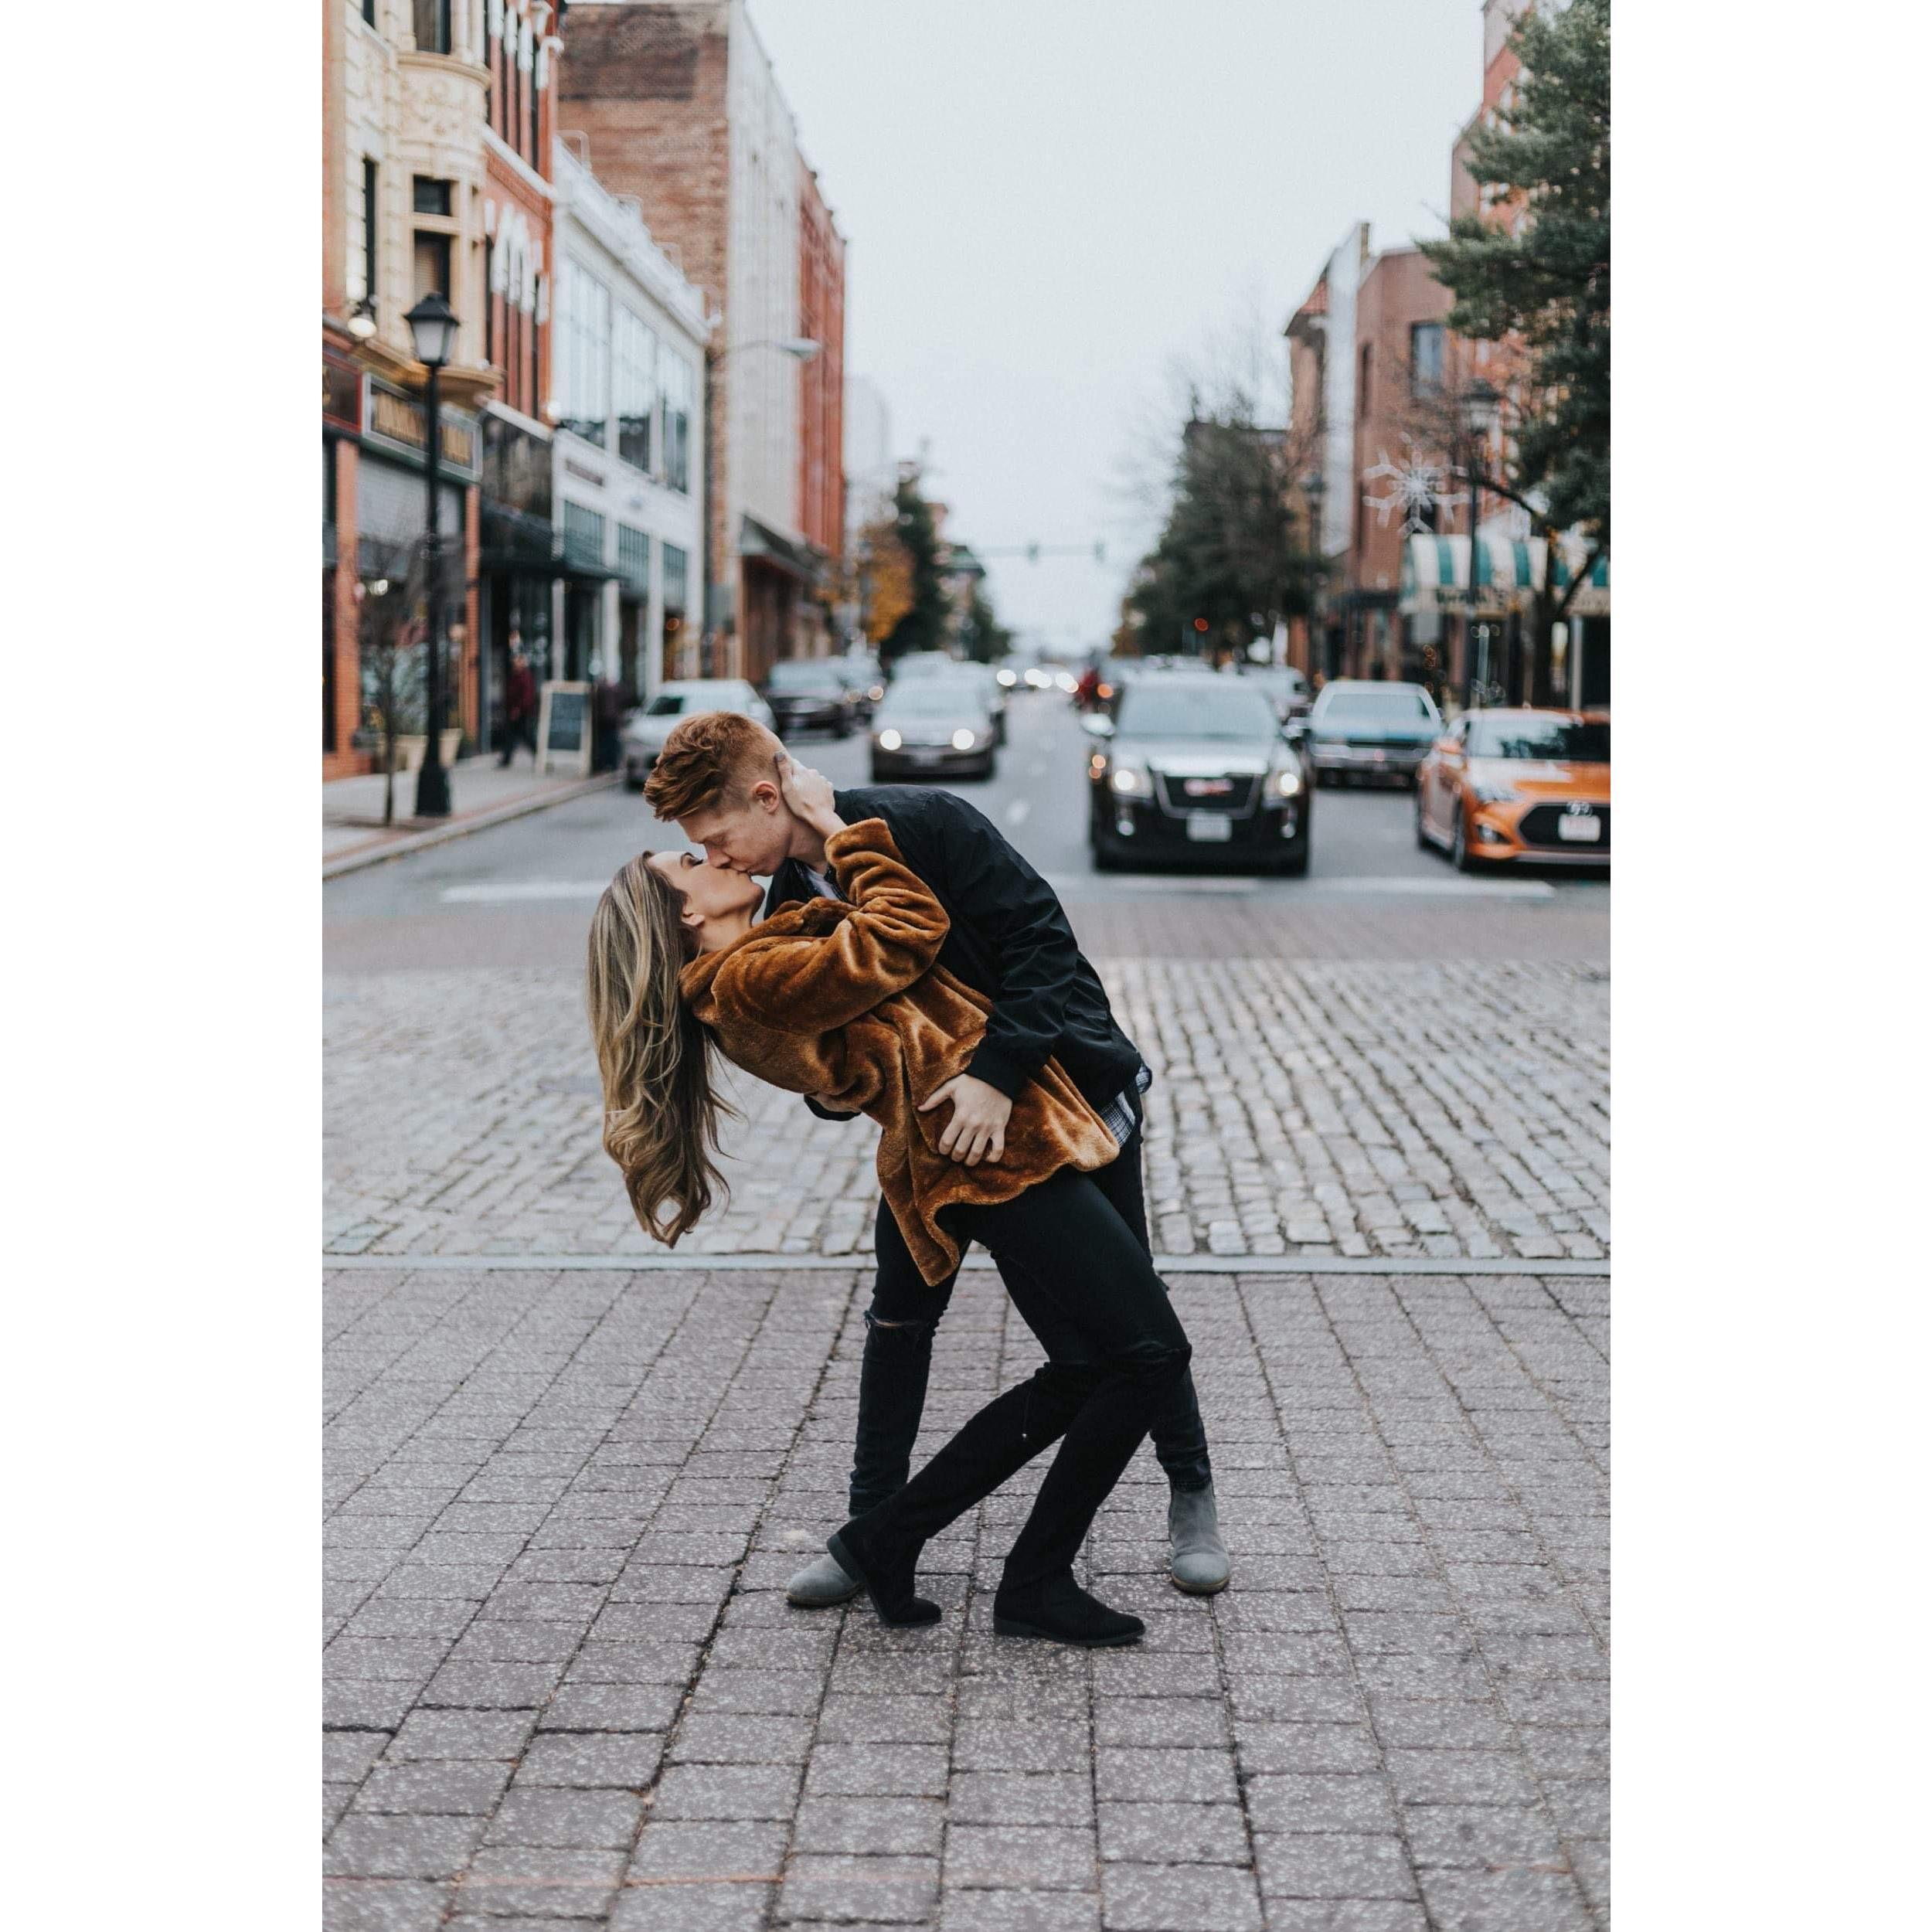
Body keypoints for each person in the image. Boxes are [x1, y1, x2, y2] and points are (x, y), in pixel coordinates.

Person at [588, 757, 1194, 1645]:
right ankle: (1013, 1573)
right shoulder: (743, 981)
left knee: (1085, 1367)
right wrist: (837, 827)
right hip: (984, 1154)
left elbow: (874, 1012)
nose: (710, 859)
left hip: (997, 1138)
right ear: (685, 915)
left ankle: (897, 1540)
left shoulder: (759, 956)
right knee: (1147, 1355)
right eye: (690, 864)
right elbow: (908, 926)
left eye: (705, 845)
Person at [499, 638, 537, 767]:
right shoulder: (515, 675)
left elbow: (527, 696)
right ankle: (506, 759)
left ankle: (539, 754)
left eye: (517, 661)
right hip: (514, 710)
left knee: (525, 736)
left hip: (521, 712)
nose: (515, 663)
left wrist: (518, 709)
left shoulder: (525, 676)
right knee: (512, 735)